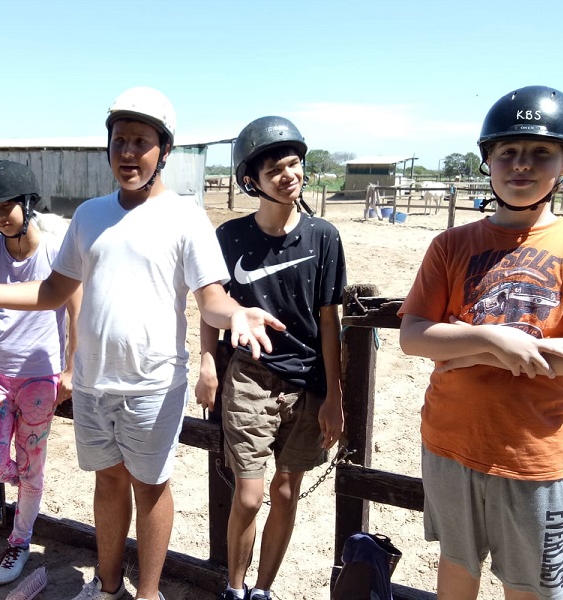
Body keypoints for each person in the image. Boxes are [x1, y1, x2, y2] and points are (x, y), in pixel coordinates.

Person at [0, 86, 285, 600]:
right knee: (108, 484)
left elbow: (212, 299)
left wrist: (237, 314)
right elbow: (52, 291)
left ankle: (149, 594)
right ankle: (108, 586)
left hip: (152, 385)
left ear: (164, 151)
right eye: (119, 141)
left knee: (151, 488)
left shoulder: (184, 216)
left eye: (141, 141)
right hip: (92, 383)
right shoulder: (89, 215)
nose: (128, 153)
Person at [398, 86, 563, 600]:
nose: (522, 166)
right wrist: (491, 339)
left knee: (531, 585)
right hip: (450, 441)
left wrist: (462, 352)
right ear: (489, 162)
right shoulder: (451, 245)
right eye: (509, 153)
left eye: (541, 153)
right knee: (456, 565)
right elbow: (414, 337)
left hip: (532, 453)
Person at [195, 116, 347, 600]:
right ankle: (234, 588)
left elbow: (329, 321)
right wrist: (206, 364)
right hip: (251, 377)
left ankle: (263, 589)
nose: (290, 174)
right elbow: (209, 302)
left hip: (306, 382)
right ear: (251, 180)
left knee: (285, 492)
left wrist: (333, 395)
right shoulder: (231, 237)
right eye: (276, 168)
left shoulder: (324, 236)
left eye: (295, 163)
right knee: (250, 493)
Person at [0, 160, 81, 586]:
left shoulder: (56, 252)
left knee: (31, 468)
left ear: (28, 204)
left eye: (7, 206)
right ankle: (28, 481)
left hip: (40, 375)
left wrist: (71, 367)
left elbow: (75, 310)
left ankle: (20, 539)